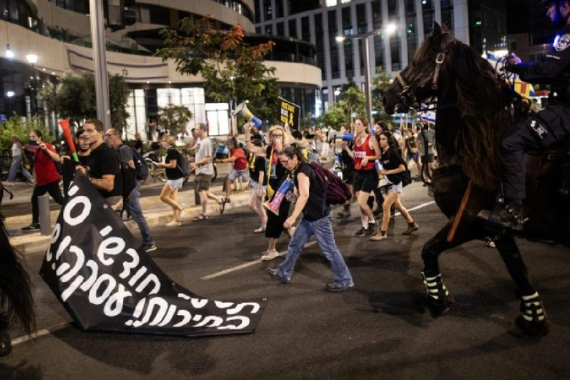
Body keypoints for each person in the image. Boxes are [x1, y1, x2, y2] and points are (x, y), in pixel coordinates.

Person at [480, 0, 570, 228]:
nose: (548, 12)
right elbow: (546, 66)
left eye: (550, 7)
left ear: (565, 6)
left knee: (511, 142)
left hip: (565, 111)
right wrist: (521, 65)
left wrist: (516, 68)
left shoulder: (568, 36)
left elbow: (546, 70)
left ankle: (515, 207)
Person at [267, 144, 354, 292]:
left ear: (295, 158)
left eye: (285, 161)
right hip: (310, 216)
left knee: (329, 250)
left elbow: (306, 195)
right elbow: (307, 193)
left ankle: (345, 280)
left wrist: (292, 217)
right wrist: (294, 197)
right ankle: (283, 272)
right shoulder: (298, 169)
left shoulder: (302, 171)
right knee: (295, 245)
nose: (283, 165)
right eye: (281, 162)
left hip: (319, 218)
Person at [245, 124, 292, 261]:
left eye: (279, 135)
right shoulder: (269, 150)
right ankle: (292, 235)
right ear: (269, 137)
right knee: (279, 217)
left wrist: (280, 148)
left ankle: (272, 249)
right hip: (272, 188)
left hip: (285, 188)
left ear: (283, 137)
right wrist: (247, 133)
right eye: (274, 135)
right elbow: (251, 148)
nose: (276, 137)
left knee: (274, 217)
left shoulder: (288, 150)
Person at [106, 128, 157, 251]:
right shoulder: (118, 150)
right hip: (128, 187)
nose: (106, 138)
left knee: (137, 215)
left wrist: (128, 187)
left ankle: (149, 242)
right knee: (123, 215)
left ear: (117, 136)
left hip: (131, 187)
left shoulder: (123, 150)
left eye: (109, 135)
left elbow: (131, 168)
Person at [370, 132, 419, 241]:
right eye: (380, 139)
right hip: (388, 183)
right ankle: (412, 225)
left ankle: (383, 233)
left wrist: (387, 172)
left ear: (388, 140)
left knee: (385, 206)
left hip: (396, 183)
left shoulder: (392, 152)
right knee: (398, 206)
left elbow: (402, 168)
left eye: (383, 139)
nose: (381, 141)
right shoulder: (382, 153)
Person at [21, 130, 64, 231]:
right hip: (42, 181)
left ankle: (74, 210)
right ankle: (35, 222)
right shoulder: (35, 150)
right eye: (30, 137)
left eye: (34, 136)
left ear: (40, 138)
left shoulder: (46, 146)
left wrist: (46, 149)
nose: (31, 138)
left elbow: (57, 158)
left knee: (58, 198)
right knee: (35, 199)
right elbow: (36, 164)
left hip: (50, 179)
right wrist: (34, 176)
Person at [348, 117, 381, 236]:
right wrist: (346, 149)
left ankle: (372, 222)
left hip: (369, 173)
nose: (356, 127)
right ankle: (365, 227)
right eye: (355, 125)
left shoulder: (371, 139)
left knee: (361, 202)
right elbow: (356, 157)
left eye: (359, 124)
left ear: (365, 126)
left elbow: (378, 155)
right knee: (360, 203)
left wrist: (368, 158)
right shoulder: (355, 139)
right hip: (358, 173)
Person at [76, 119, 122, 204]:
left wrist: (87, 178)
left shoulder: (106, 153)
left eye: (89, 131)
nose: (85, 134)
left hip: (109, 204)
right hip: (100, 202)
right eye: (84, 131)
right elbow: (97, 175)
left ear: (100, 133)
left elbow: (108, 185)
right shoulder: (94, 152)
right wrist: (85, 172)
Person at [190, 123, 224, 220]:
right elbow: (195, 152)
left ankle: (204, 213)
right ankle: (219, 200)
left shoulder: (207, 142)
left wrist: (195, 164)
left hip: (205, 171)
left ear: (202, 130)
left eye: (197, 129)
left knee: (201, 191)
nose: (195, 131)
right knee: (205, 191)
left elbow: (208, 159)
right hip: (200, 170)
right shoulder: (201, 141)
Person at [155, 134, 187, 227]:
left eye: (164, 141)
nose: (162, 143)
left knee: (163, 197)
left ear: (168, 142)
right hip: (176, 177)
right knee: (173, 199)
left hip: (174, 178)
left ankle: (181, 209)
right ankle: (176, 220)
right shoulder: (171, 151)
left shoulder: (172, 151)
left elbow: (173, 165)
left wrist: (162, 165)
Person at [217, 136, 249, 204]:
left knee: (248, 181)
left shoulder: (239, 150)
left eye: (228, 145)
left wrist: (221, 161)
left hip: (244, 169)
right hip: (236, 169)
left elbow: (232, 159)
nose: (227, 147)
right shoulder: (231, 151)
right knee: (228, 179)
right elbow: (232, 160)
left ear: (232, 144)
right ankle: (227, 198)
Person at [248, 139, 268, 233]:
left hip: (260, 184)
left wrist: (260, 188)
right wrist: (249, 182)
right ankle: (265, 221)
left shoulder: (260, 158)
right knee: (252, 205)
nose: (249, 147)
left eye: (252, 146)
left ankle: (264, 224)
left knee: (259, 205)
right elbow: (252, 171)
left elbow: (261, 174)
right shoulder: (252, 156)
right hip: (254, 183)